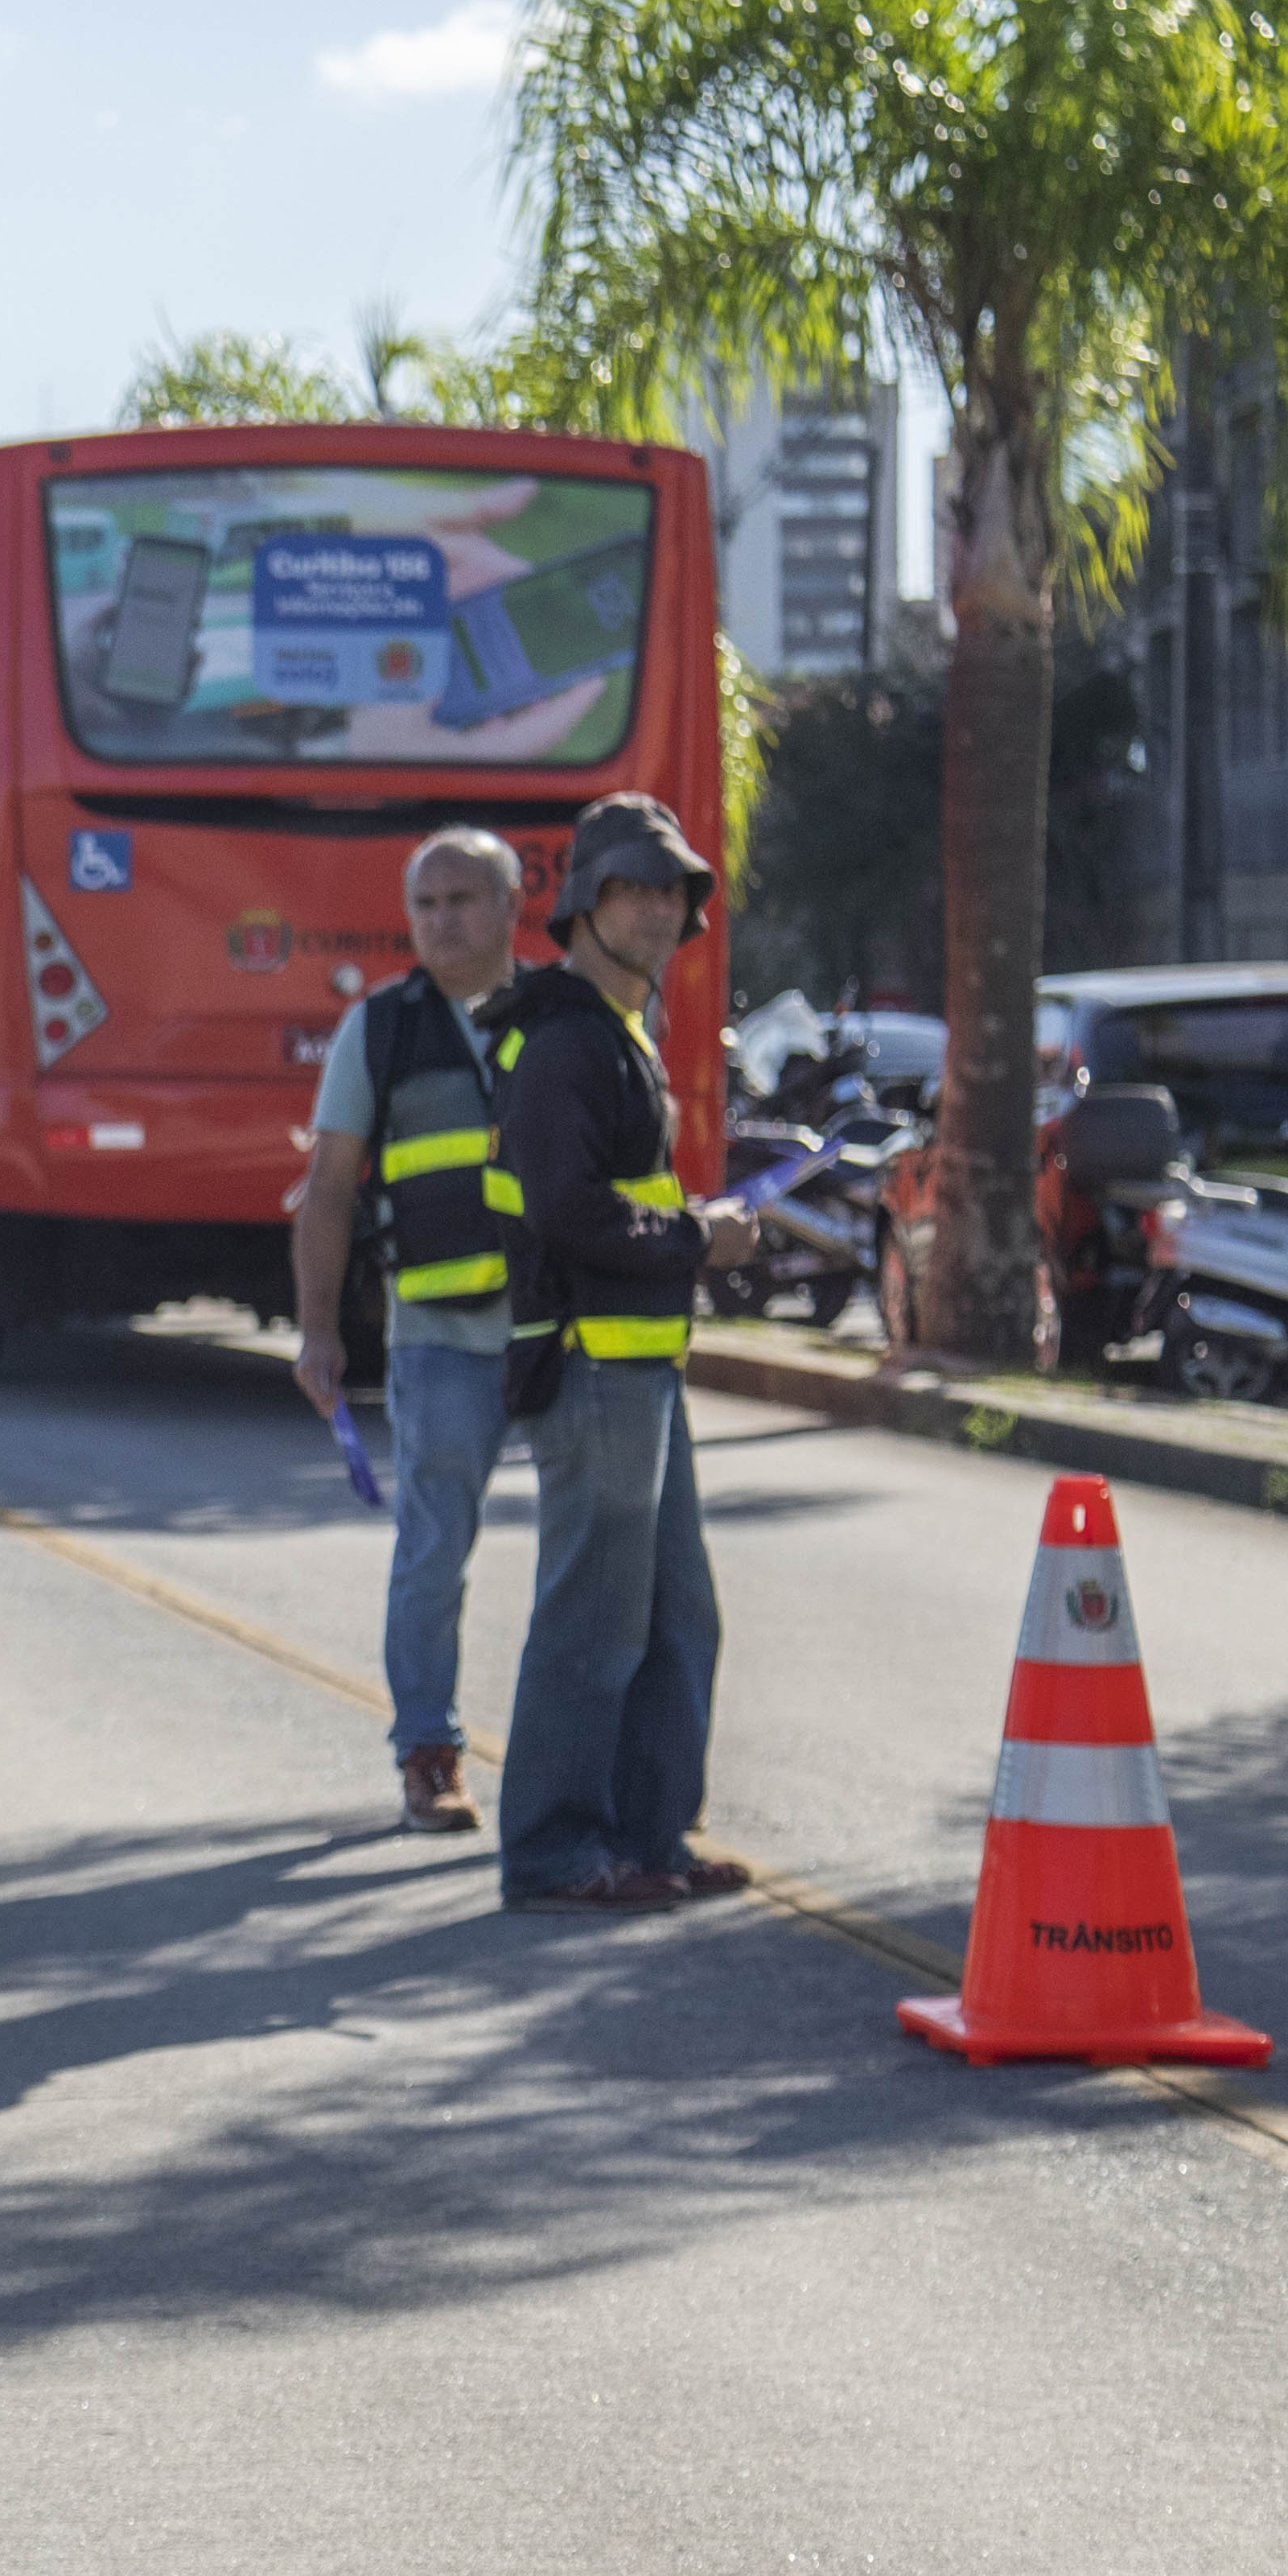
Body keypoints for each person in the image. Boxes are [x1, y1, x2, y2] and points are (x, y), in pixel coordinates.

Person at [483, 791, 764, 1913]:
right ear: (584, 904)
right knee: (594, 1623)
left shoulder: (614, 1034)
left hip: (637, 1364)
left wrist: (686, 1231)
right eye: (632, 888)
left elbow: (597, 1204)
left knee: (675, 1616)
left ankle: (647, 1838)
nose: (655, 910)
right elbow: (566, 1212)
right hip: (592, 1366)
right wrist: (700, 1235)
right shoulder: (562, 1043)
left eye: (670, 891)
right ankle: (555, 1849)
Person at [289, 826, 530, 1833]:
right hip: (438, 1339)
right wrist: (316, 1332)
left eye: (462, 898)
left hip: (563, 1333)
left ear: (511, 908)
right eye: (424, 904)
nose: (442, 920)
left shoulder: (561, 1016)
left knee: (600, 1551)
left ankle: (595, 1763)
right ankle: (428, 1754)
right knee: (433, 1550)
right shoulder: (379, 1028)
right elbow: (329, 1189)